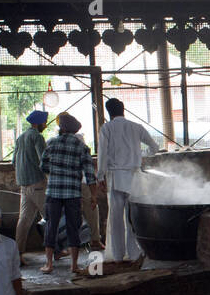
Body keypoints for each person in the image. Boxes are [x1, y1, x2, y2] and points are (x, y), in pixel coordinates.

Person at [97, 97, 160, 262]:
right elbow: (155, 147)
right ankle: (134, 254)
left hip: (116, 177)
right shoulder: (136, 127)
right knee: (133, 217)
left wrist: (100, 176)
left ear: (109, 112)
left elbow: (102, 154)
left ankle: (118, 256)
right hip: (135, 177)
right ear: (123, 109)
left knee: (116, 218)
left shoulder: (107, 128)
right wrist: (140, 155)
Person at [40, 112, 98, 274]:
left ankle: (49, 264)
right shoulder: (82, 147)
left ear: (61, 128)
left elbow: (43, 166)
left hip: (54, 192)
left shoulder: (51, 143)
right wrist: (93, 196)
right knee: (74, 227)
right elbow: (89, 174)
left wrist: (54, 174)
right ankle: (74, 265)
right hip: (73, 193)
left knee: (51, 226)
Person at [13, 110, 51, 261]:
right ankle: (57, 249)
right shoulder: (37, 137)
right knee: (50, 217)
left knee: (24, 220)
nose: (45, 125)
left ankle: (17, 253)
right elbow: (44, 160)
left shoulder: (20, 137)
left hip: (23, 184)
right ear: (38, 123)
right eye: (44, 122)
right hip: (37, 184)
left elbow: (13, 162)